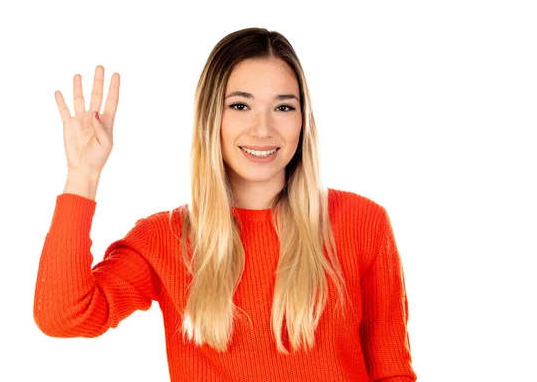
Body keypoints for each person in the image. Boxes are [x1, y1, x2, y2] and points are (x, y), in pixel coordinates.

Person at [34, 27, 417, 382]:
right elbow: (63, 316)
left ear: (303, 120)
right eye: (240, 106)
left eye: (283, 107)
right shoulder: (164, 238)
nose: (262, 128)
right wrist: (82, 175)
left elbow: (392, 371)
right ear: (211, 117)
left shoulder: (362, 222)